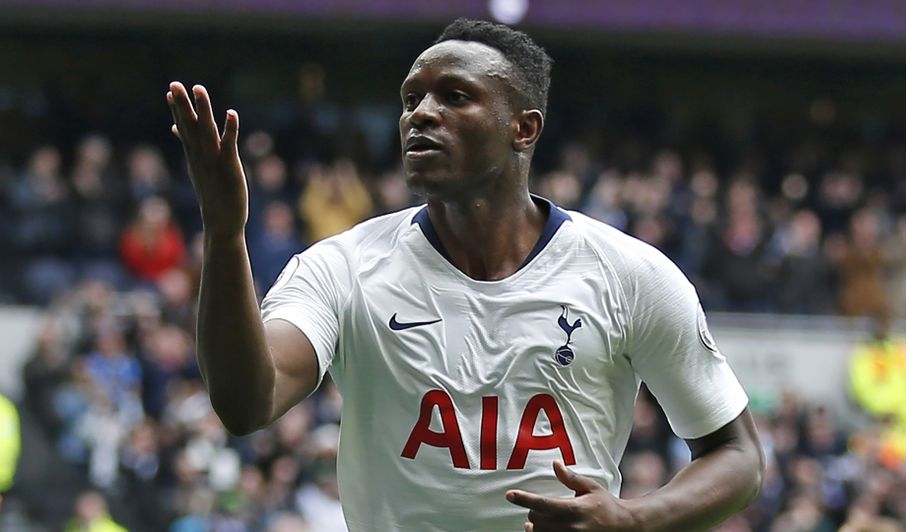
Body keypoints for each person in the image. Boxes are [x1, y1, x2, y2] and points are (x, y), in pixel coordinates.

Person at [166, 18, 763, 531]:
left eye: (454, 96)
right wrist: (225, 234)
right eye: (411, 100)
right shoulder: (343, 267)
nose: (421, 114)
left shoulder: (629, 274)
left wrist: (634, 519)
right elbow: (247, 403)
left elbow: (737, 455)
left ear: (523, 128)